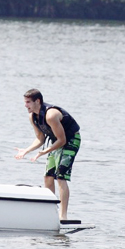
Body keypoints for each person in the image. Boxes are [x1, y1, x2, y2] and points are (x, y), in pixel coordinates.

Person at [14, 89, 81, 221]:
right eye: (24, 102)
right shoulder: (32, 116)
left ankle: (63, 216)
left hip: (71, 140)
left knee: (60, 177)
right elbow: (40, 139)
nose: (25, 105)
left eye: (28, 102)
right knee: (48, 177)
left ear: (37, 101)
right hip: (56, 141)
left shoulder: (51, 115)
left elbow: (62, 140)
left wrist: (45, 151)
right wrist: (26, 150)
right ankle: (51, 213)